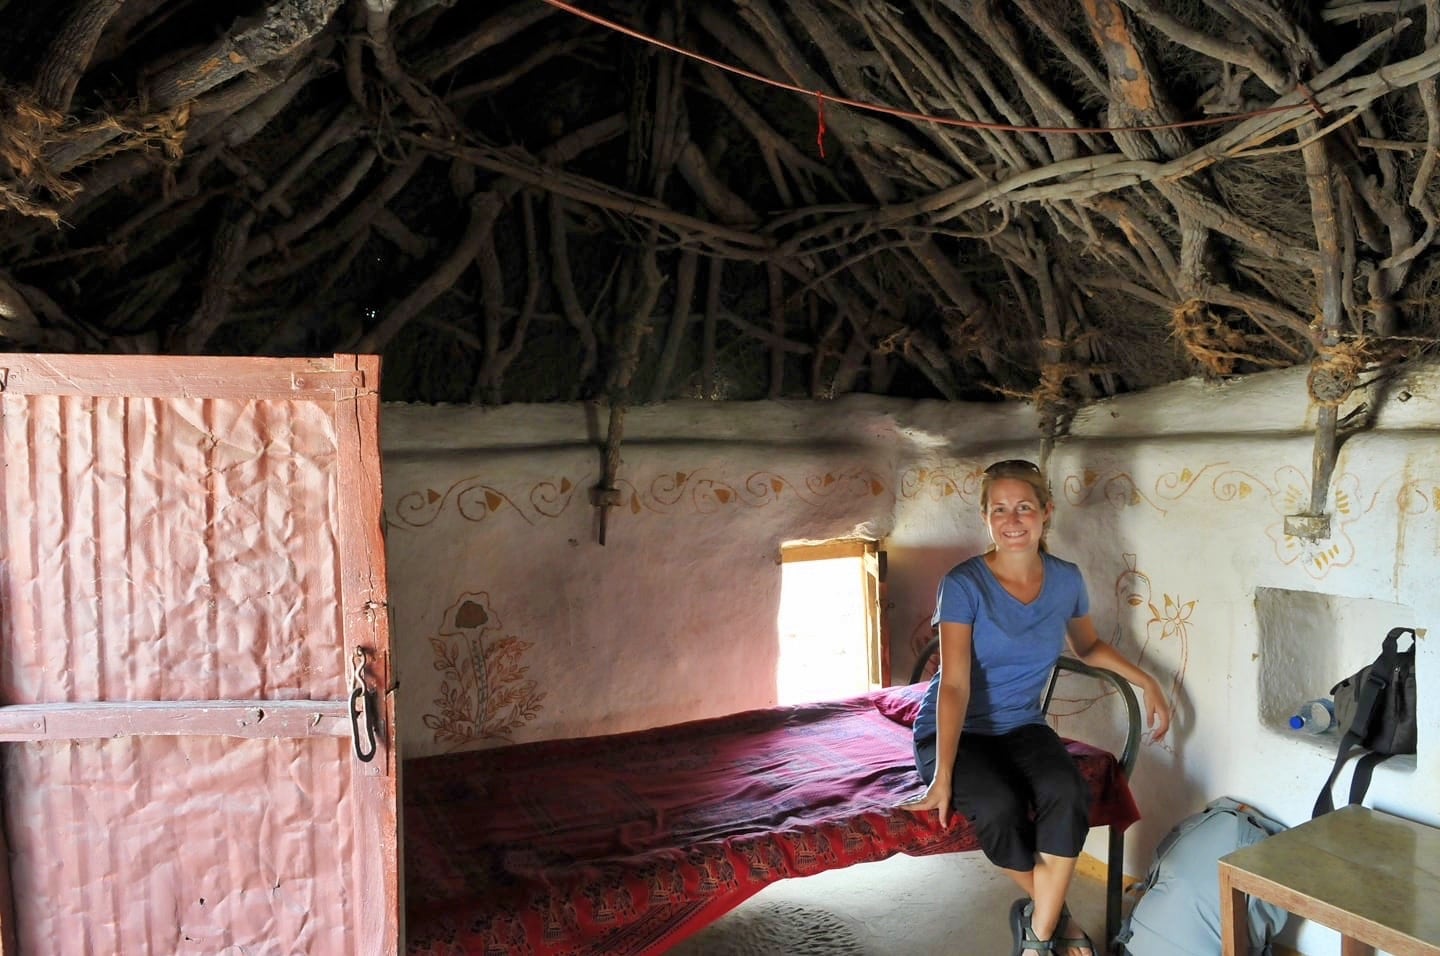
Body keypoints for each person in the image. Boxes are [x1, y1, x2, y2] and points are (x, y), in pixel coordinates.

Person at [900, 458, 1171, 956]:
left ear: (1046, 512)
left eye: (1024, 507)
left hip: (1022, 723)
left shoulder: (1066, 579)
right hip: (957, 729)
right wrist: (941, 777)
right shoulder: (963, 584)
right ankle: (1055, 924)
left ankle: (1037, 937)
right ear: (985, 517)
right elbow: (954, 685)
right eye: (999, 509)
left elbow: (1087, 647)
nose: (1012, 519)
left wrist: (1147, 680)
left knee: (1067, 791)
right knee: (998, 807)